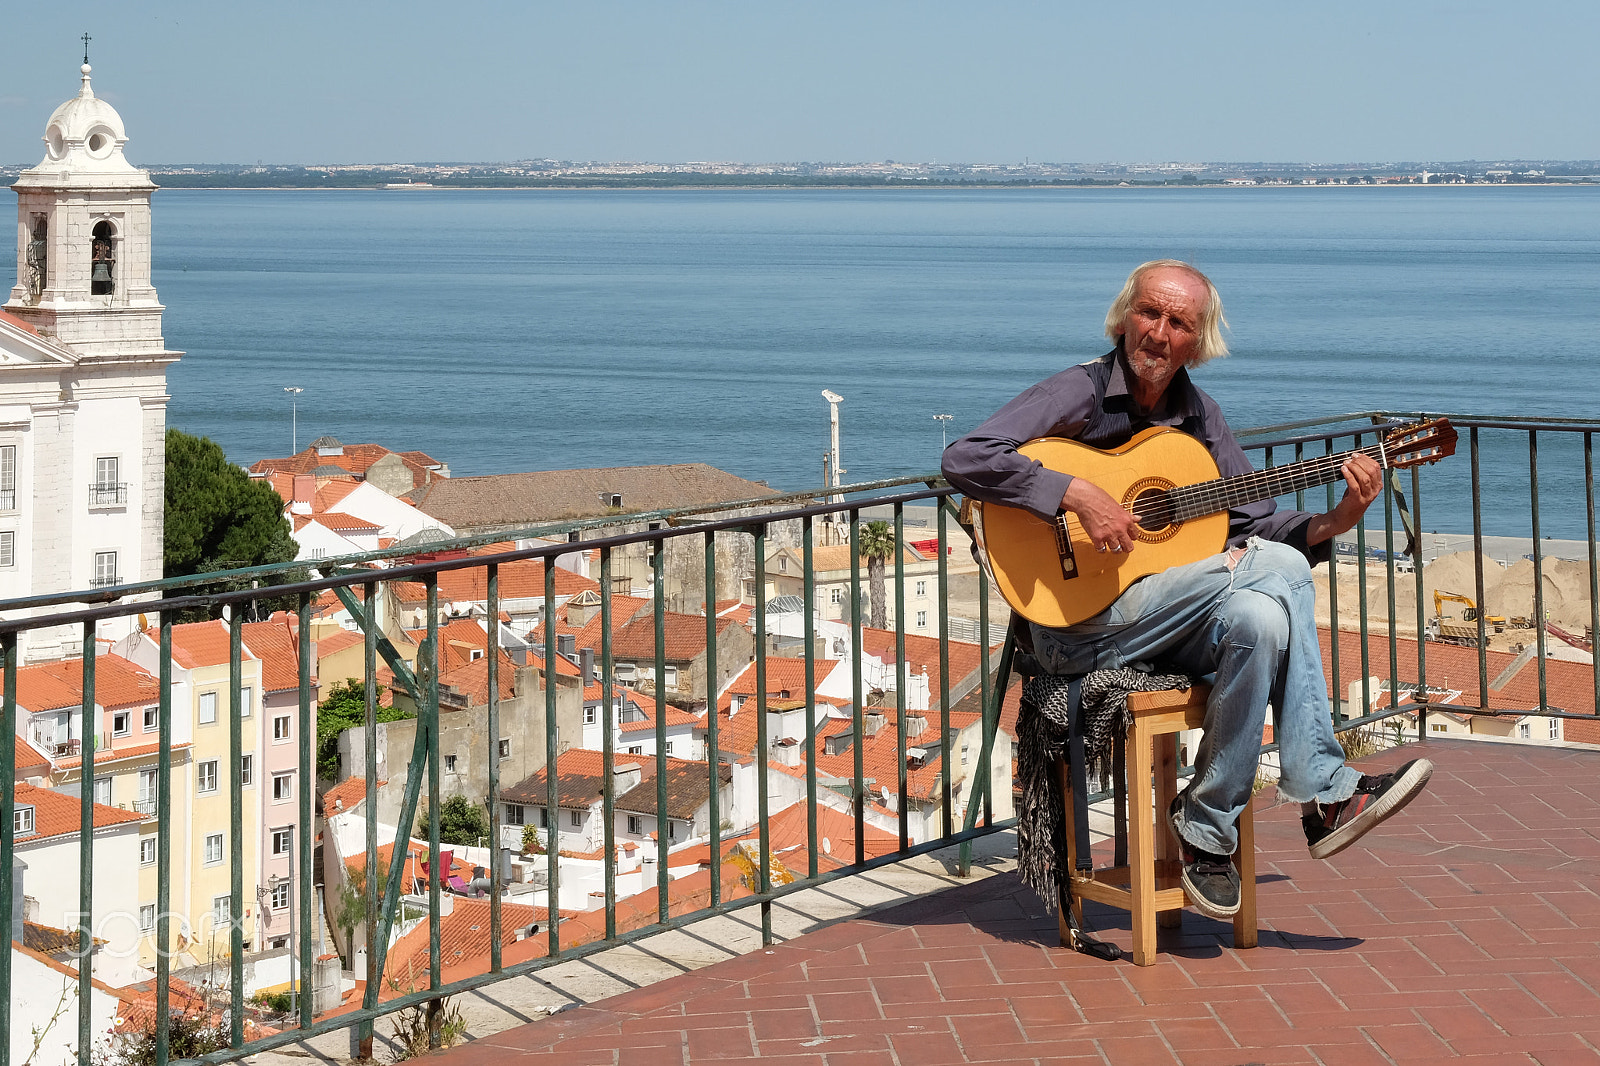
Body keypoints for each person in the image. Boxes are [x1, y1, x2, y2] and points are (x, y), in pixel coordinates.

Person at [941, 259, 1433, 920]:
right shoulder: (1079, 394)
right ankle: (1323, 789)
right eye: (1150, 313)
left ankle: (1204, 830)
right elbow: (965, 457)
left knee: (1261, 619)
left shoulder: (1200, 417)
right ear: (1125, 317)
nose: (1159, 333)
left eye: (1179, 323)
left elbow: (1254, 524)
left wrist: (1340, 518)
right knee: (1278, 573)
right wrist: (1076, 491)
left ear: (1196, 344)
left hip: (1160, 618)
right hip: (1075, 626)